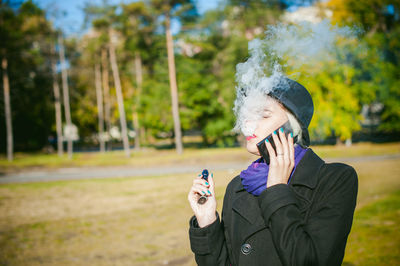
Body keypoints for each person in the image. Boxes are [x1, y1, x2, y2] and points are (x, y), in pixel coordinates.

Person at [187, 77, 358, 266]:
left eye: (264, 114)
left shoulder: (334, 179)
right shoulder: (238, 186)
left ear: (291, 127)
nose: (248, 123)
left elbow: (312, 260)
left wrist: (277, 189)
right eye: (248, 113)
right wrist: (207, 221)